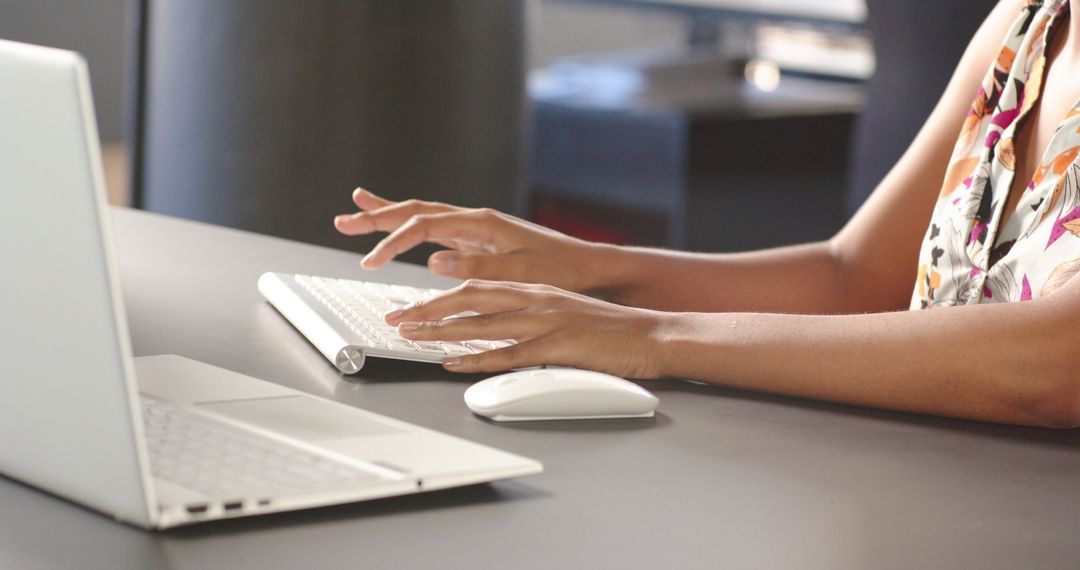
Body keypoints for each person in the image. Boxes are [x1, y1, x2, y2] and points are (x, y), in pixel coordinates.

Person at [333, 0, 1080, 429]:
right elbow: (856, 279)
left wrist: (655, 337)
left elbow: (1058, 362)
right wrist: (594, 272)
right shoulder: (1028, 20)